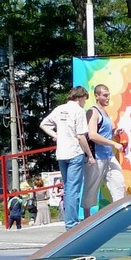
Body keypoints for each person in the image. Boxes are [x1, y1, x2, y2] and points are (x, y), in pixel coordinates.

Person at [39, 86, 95, 230]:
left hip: (61, 153)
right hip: (75, 152)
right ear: (81, 97)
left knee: (67, 188)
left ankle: (69, 221)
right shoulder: (79, 111)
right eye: (84, 99)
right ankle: (71, 223)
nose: (84, 102)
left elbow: (43, 124)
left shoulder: (59, 109)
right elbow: (81, 136)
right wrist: (89, 155)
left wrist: (56, 135)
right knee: (73, 190)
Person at [82, 84, 127, 217]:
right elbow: (93, 135)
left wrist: (114, 132)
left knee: (119, 184)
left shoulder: (105, 113)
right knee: (91, 188)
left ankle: (121, 217)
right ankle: (86, 219)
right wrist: (114, 143)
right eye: (105, 95)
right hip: (96, 157)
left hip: (109, 156)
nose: (108, 98)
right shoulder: (92, 112)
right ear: (97, 96)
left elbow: (104, 133)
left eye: (108, 94)